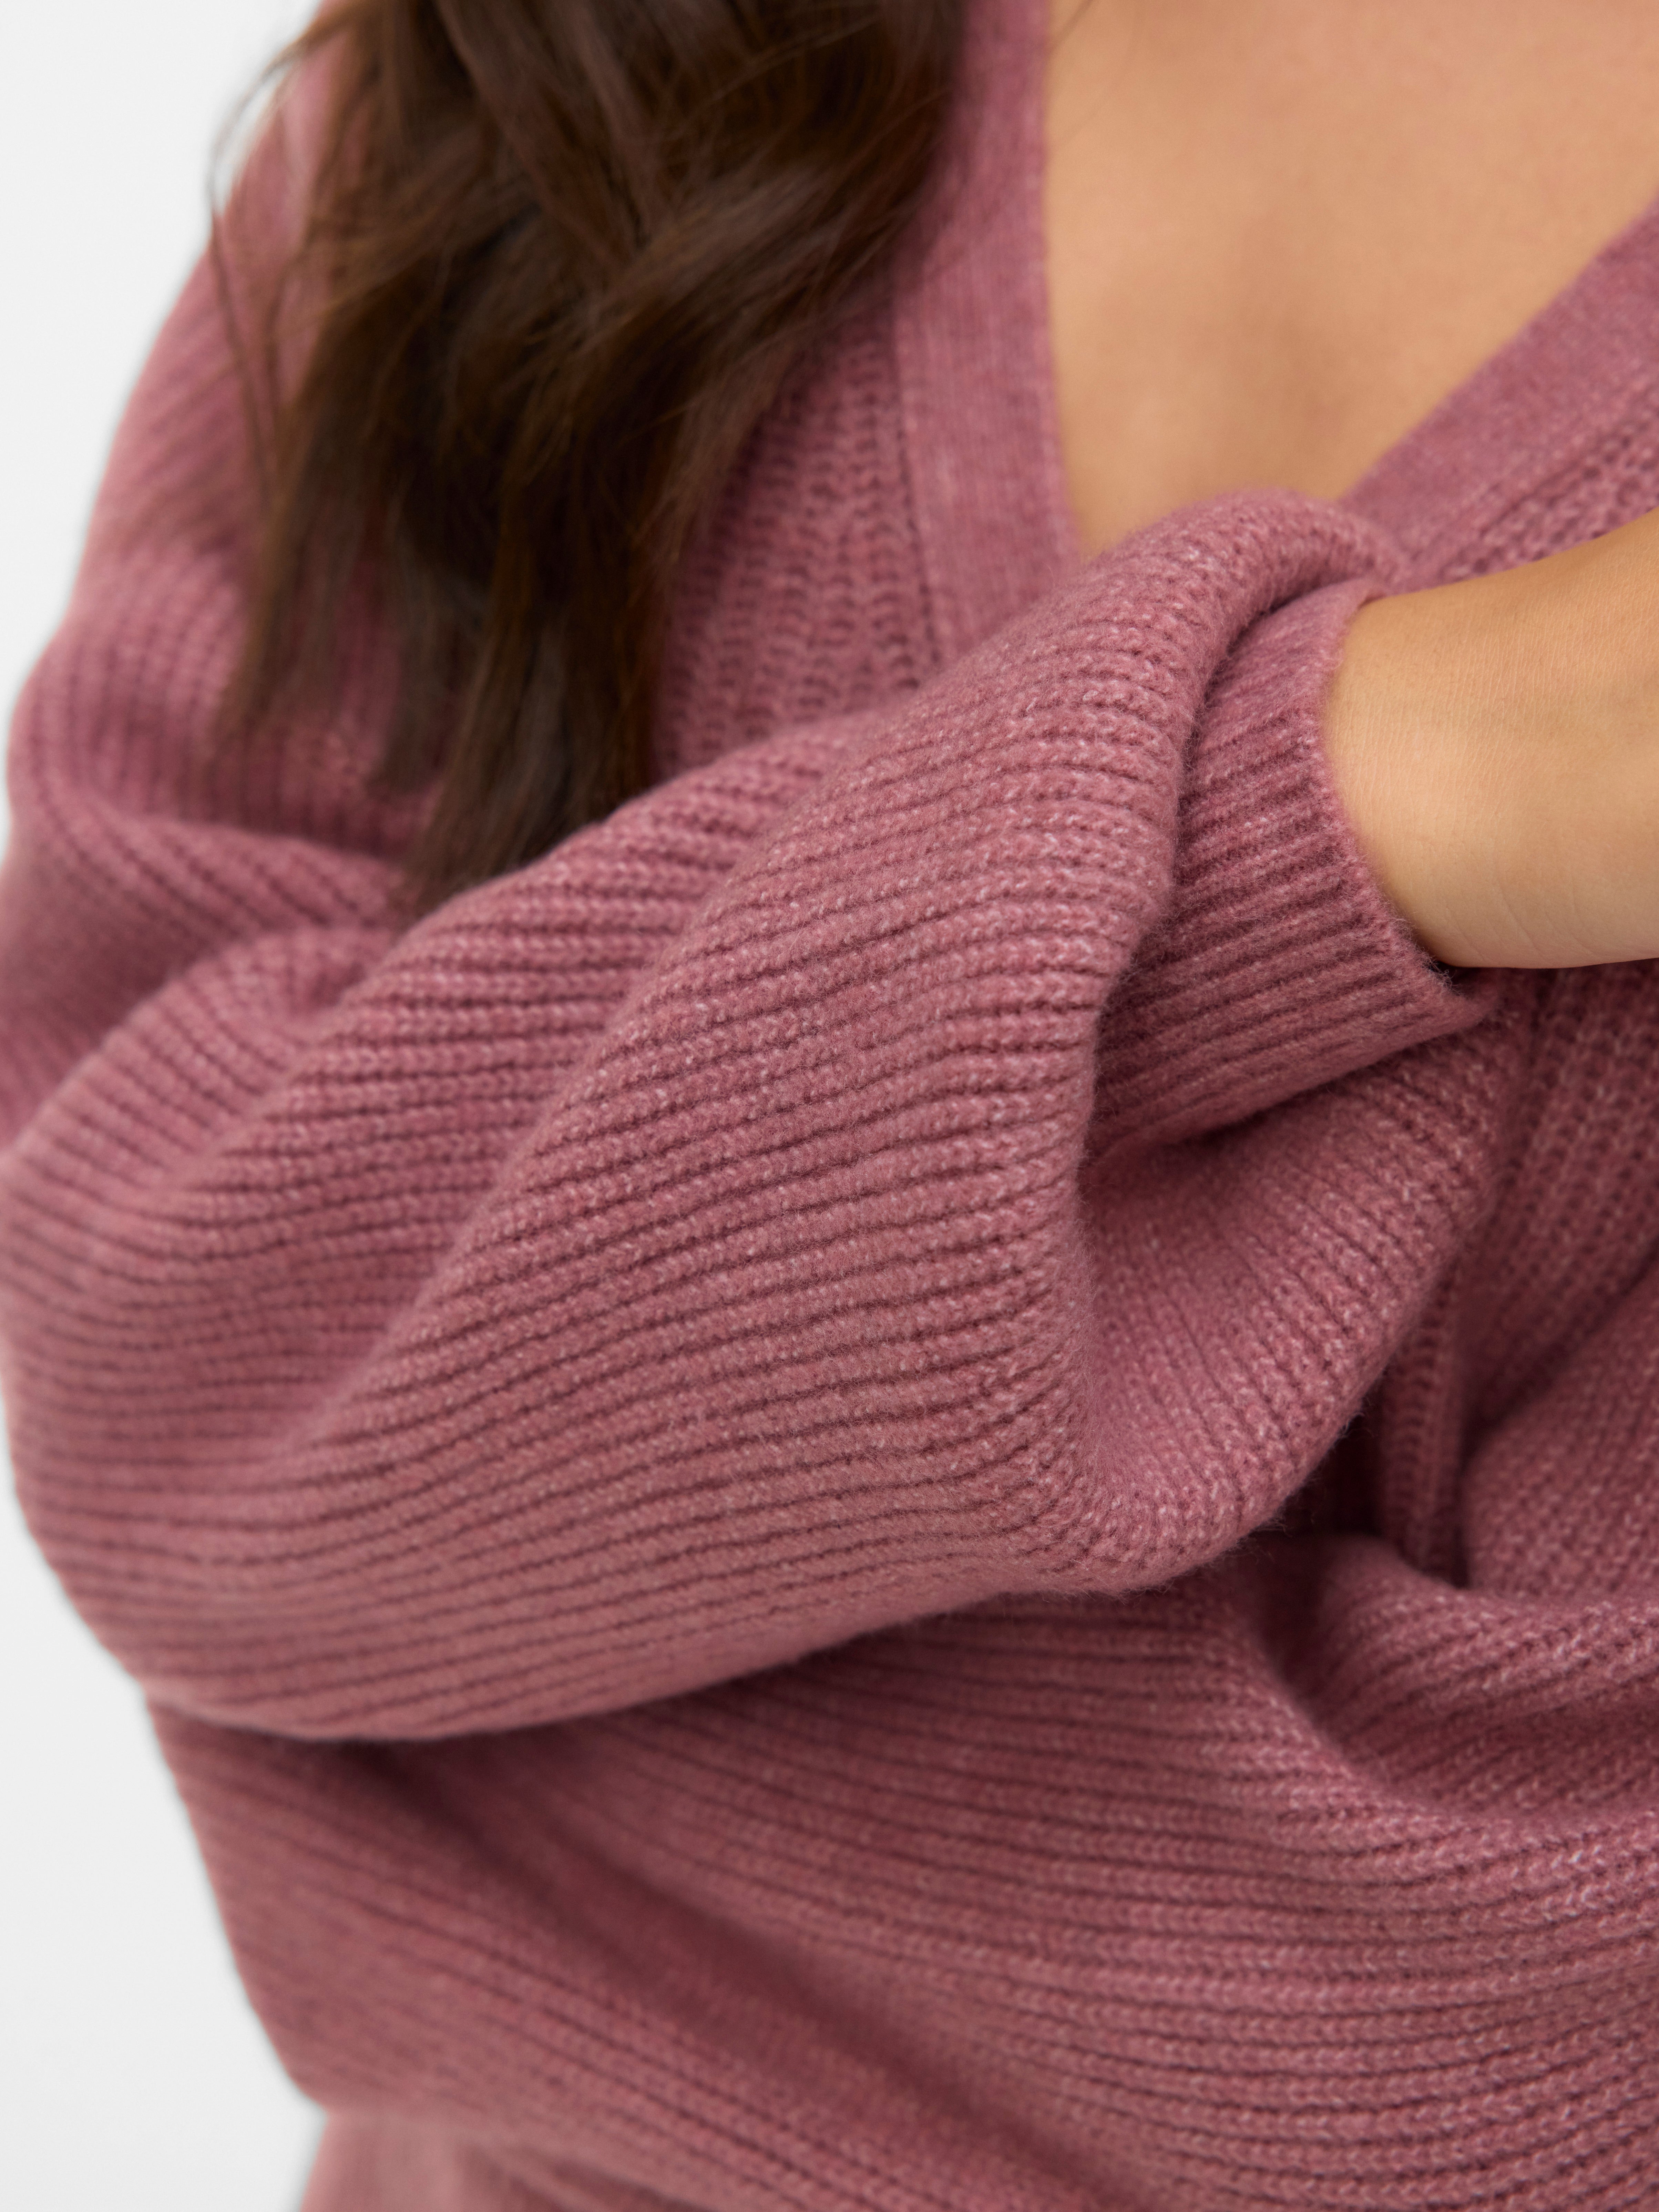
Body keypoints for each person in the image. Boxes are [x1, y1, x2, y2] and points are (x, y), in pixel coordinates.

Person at [4, 0, 1659, 2204]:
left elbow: (1547, 2055)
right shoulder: (559, 49)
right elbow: (157, 1359)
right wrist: (1362, 788)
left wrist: (388, 1729)